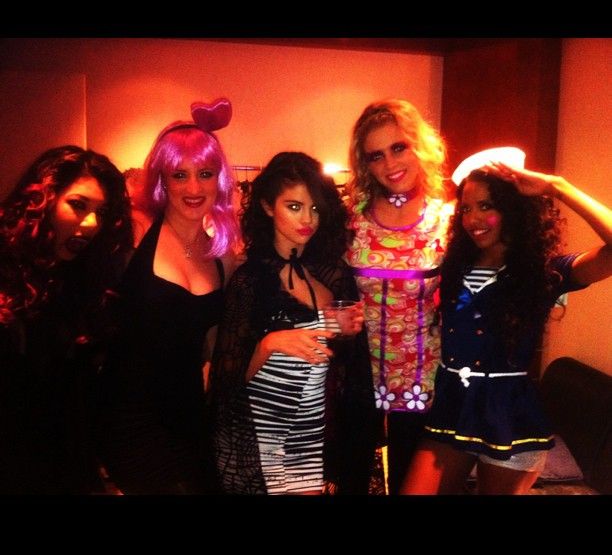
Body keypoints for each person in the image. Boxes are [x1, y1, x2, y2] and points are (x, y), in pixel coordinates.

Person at [402, 160, 612, 495]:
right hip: (453, 406)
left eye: (486, 206)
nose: (472, 219)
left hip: (509, 416)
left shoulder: (545, 272)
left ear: (512, 209)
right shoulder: (453, 264)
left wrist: (556, 186)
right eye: (466, 208)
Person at [209, 151, 376, 495]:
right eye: (294, 206)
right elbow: (224, 381)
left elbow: (341, 367)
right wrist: (269, 343)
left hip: (310, 434)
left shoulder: (332, 274)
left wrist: (345, 332)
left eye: (315, 208)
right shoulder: (250, 279)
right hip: (260, 434)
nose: (307, 219)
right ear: (268, 206)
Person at [97, 99, 240, 494]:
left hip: (191, 420)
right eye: (180, 175)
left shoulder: (222, 256)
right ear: (163, 180)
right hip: (129, 419)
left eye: (205, 174)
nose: (193, 188)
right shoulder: (137, 232)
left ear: (219, 180)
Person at [0, 145, 133, 494]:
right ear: (41, 201)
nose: (90, 224)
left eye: (101, 213)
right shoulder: (7, 272)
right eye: (78, 205)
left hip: (64, 468)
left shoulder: (84, 281)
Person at [345, 99, 453, 494]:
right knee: (352, 481)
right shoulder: (349, 217)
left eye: (398, 147)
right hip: (356, 379)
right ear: (366, 164)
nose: (390, 163)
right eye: (376, 155)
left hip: (423, 381)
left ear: (419, 146)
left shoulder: (448, 220)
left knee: (409, 484)